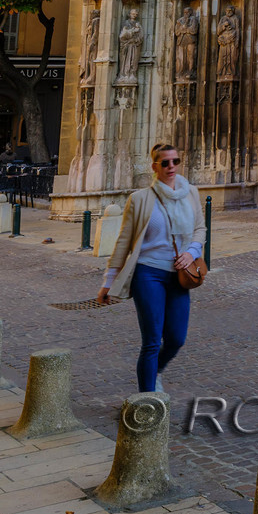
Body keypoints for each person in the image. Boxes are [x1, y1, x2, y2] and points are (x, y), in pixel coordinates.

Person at [95, 142, 206, 394]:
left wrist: (191, 253)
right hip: (148, 273)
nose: (171, 167)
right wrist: (108, 282)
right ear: (154, 166)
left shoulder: (191, 193)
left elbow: (200, 229)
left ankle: (155, 370)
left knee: (176, 339)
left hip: (180, 275)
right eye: (164, 162)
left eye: (175, 161)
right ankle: (146, 403)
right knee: (152, 342)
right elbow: (123, 242)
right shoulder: (140, 199)